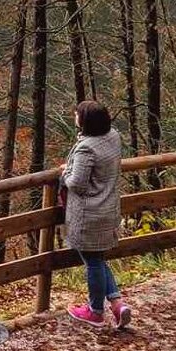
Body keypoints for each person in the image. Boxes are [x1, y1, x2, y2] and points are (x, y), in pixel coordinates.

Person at [60, 100, 132, 329]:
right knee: (97, 259)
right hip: (108, 208)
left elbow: (77, 184)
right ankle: (117, 303)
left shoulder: (86, 147)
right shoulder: (113, 137)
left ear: (85, 121)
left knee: (92, 262)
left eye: (77, 114)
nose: (74, 116)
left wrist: (65, 173)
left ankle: (95, 311)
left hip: (88, 213)